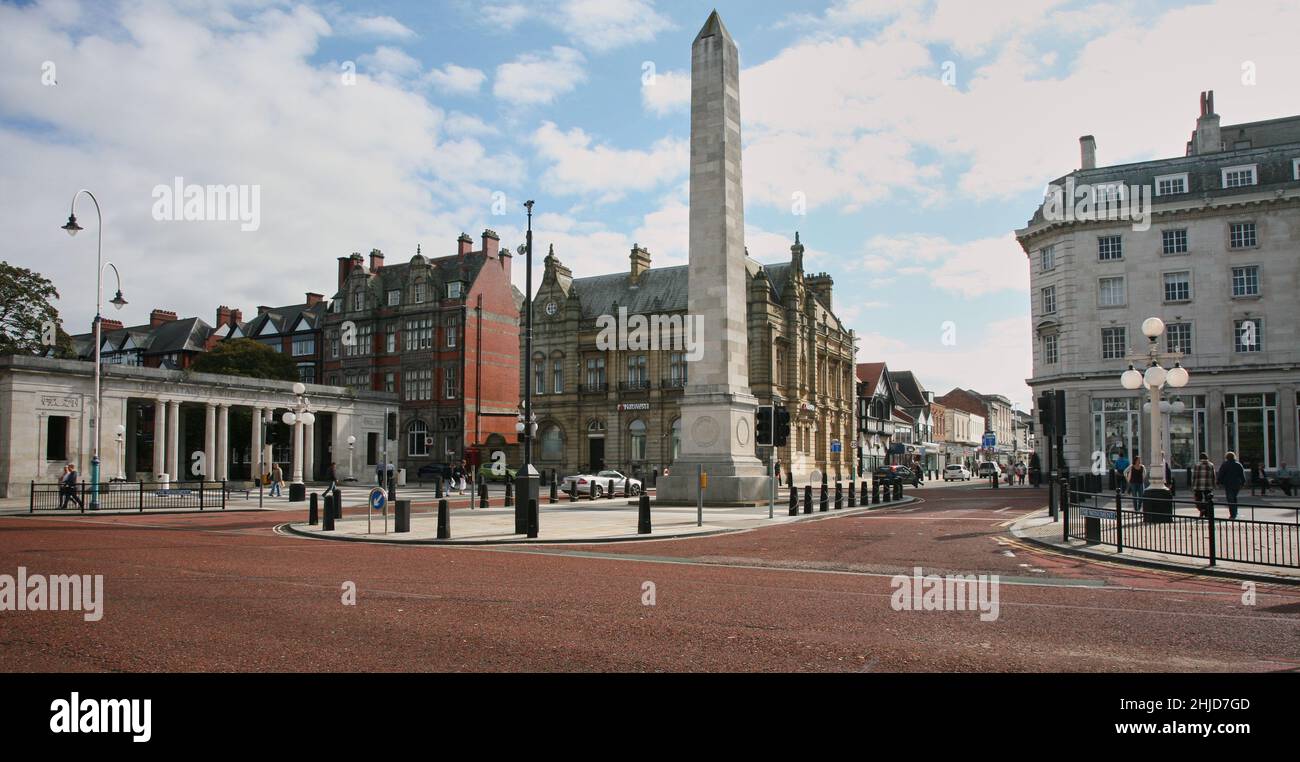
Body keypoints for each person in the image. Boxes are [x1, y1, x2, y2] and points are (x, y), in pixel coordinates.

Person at [1217, 452, 1246, 520]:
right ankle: (1235, 511)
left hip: (1228, 483)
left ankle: (1233, 514)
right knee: (1234, 497)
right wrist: (1243, 482)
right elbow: (1242, 474)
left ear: (1227, 457)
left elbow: (1221, 474)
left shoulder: (1225, 465)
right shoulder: (1238, 464)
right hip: (1237, 483)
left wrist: (1218, 482)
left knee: (1230, 499)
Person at [1191, 452, 1216, 518]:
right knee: (1208, 500)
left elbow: (1194, 476)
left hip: (1198, 485)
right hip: (1208, 485)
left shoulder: (1197, 465)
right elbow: (1213, 476)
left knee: (1198, 499)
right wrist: (1214, 484)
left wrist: (1192, 485)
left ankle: (1202, 509)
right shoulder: (1211, 465)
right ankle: (1207, 512)